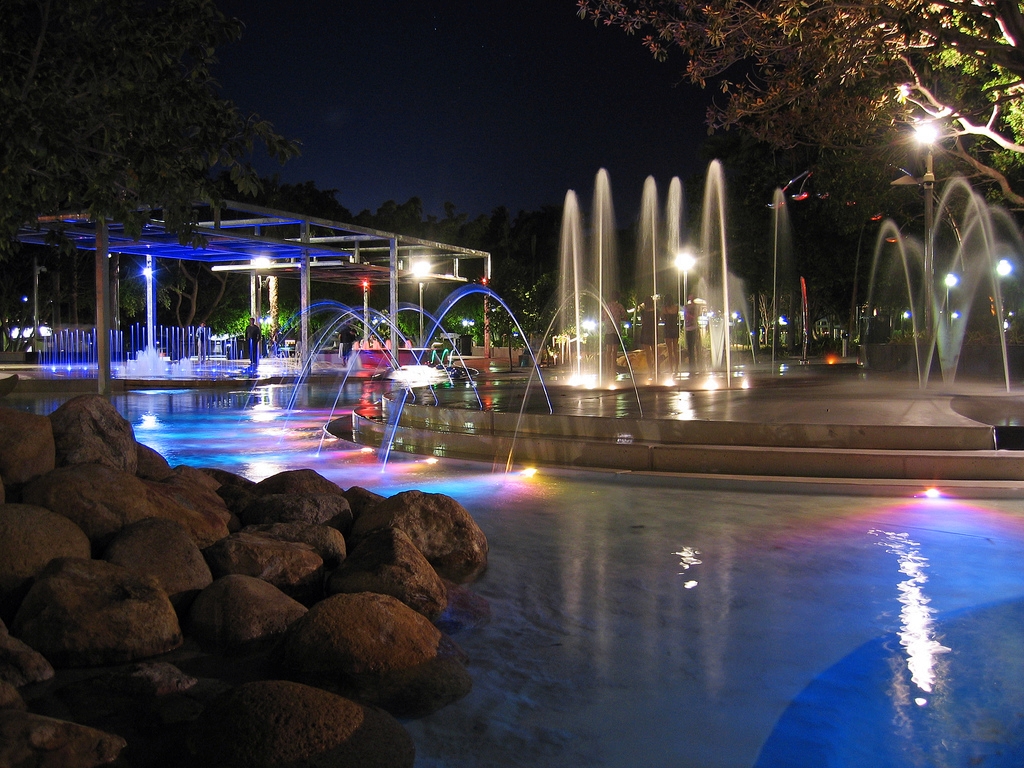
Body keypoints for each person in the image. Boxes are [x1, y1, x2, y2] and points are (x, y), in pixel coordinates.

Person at [602, 292, 626, 379]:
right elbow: (625, 316)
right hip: (616, 331)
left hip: (608, 331)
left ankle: (607, 369)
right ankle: (613, 369)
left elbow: (602, 317)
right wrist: (619, 318)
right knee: (614, 351)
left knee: (608, 351)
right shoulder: (619, 306)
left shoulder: (606, 306)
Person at [639, 296, 657, 380]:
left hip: (645, 332)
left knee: (648, 353)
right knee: (654, 352)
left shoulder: (643, 312)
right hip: (653, 332)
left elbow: (642, 321)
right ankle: (657, 368)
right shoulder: (657, 311)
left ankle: (650, 369)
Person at [662, 298, 680, 374]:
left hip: (667, 329)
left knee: (669, 351)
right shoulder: (676, 308)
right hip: (674, 329)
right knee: (675, 350)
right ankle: (677, 367)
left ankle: (671, 368)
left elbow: (662, 319)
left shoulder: (664, 309)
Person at [683, 295, 700, 373]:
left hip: (693, 328)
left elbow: (695, 316)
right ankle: (692, 366)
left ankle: (695, 365)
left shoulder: (695, 307)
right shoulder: (687, 307)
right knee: (690, 348)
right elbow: (686, 316)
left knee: (694, 347)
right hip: (690, 328)